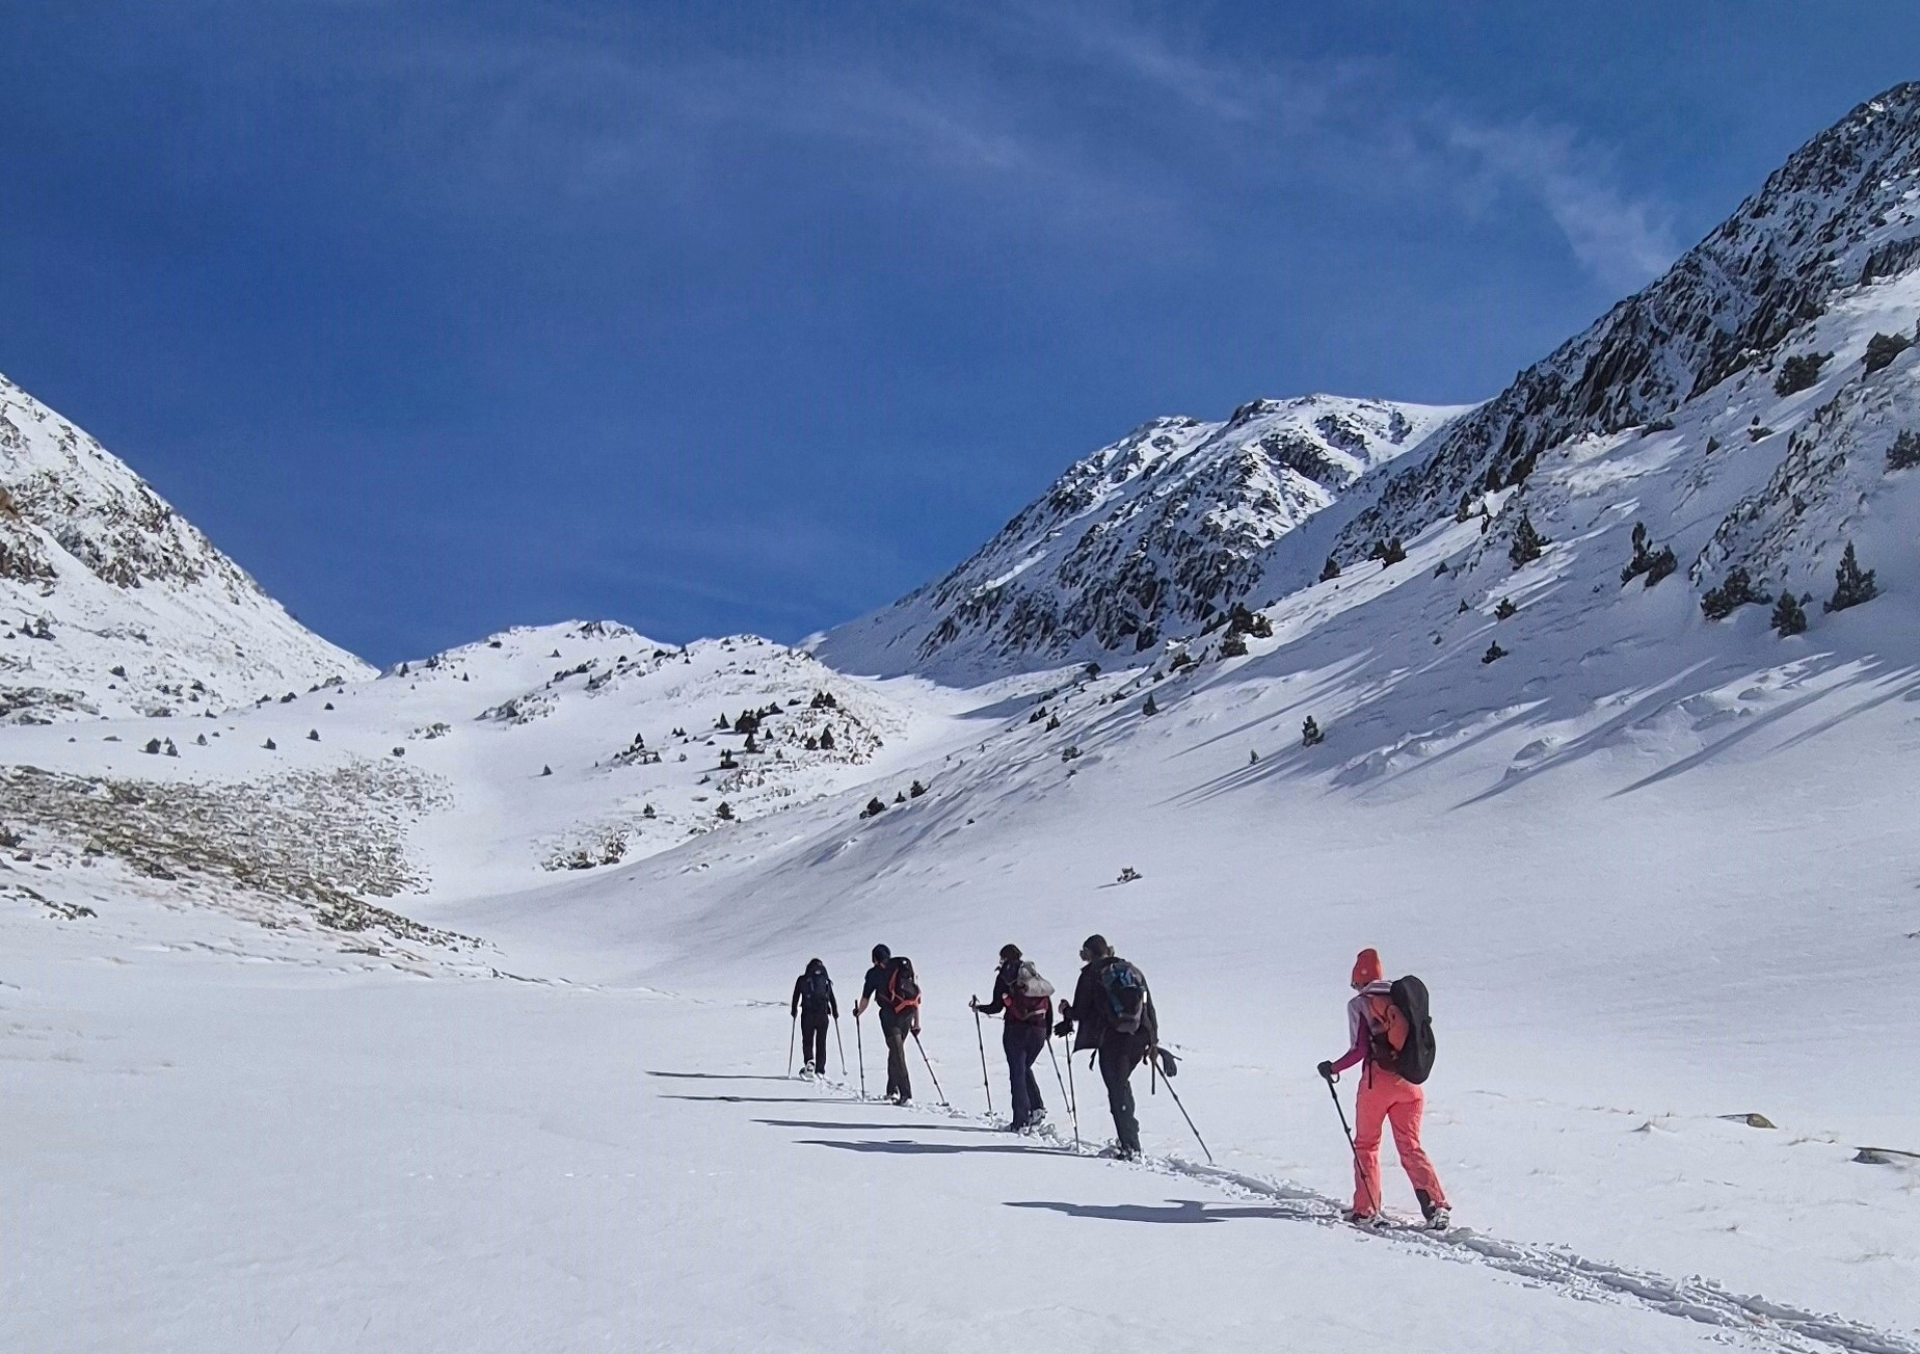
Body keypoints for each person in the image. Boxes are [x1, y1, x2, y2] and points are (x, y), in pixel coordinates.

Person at [1318, 948, 1450, 1229]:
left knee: (1366, 1145)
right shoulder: (1402, 998)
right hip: (1410, 1084)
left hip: (1377, 1084)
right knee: (1410, 1146)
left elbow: (1359, 1050)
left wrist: (1333, 1068)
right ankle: (1436, 1206)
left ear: (1358, 980)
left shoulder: (1361, 1004)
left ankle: (1366, 1209)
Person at [1055, 934, 1168, 1159]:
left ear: (1088, 953)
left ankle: (1130, 1145)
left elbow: (1080, 1011)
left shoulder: (1091, 974)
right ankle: (1129, 1138)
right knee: (1121, 1085)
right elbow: (1149, 1008)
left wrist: (1065, 1010)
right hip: (1139, 1036)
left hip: (1112, 1038)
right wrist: (1153, 1040)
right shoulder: (1132, 970)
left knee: (1117, 1089)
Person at [970, 944, 1052, 1132]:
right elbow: (1047, 1001)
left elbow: (996, 1007)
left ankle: (1021, 1120)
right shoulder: (1033, 974)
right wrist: (1046, 1029)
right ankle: (1036, 1108)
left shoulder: (1005, 976)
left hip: (1016, 1030)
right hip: (1039, 1030)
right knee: (1024, 1068)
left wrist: (979, 1008)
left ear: (1004, 958)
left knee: (1017, 1073)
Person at [853, 944, 920, 1103]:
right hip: (907, 1014)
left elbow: (866, 998)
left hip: (890, 1016)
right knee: (896, 1051)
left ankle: (905, 1094)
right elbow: (915, 997)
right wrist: (916, 1022)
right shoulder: (902, 967)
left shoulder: (874, 974)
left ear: (874, 959)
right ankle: (892, 1090)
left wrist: (858, 1012)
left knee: (897, 1052)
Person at [790, 958, 837, 1078]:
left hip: (808, 1015)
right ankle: (820, 1069)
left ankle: (809, 1063)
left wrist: (794, 1010)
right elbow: (831, 997)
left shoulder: (802, 980)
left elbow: (796, 996)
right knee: (821, 1042)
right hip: (823, 1015)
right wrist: (835, 1012)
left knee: (807, 1041)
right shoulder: (825, 980)